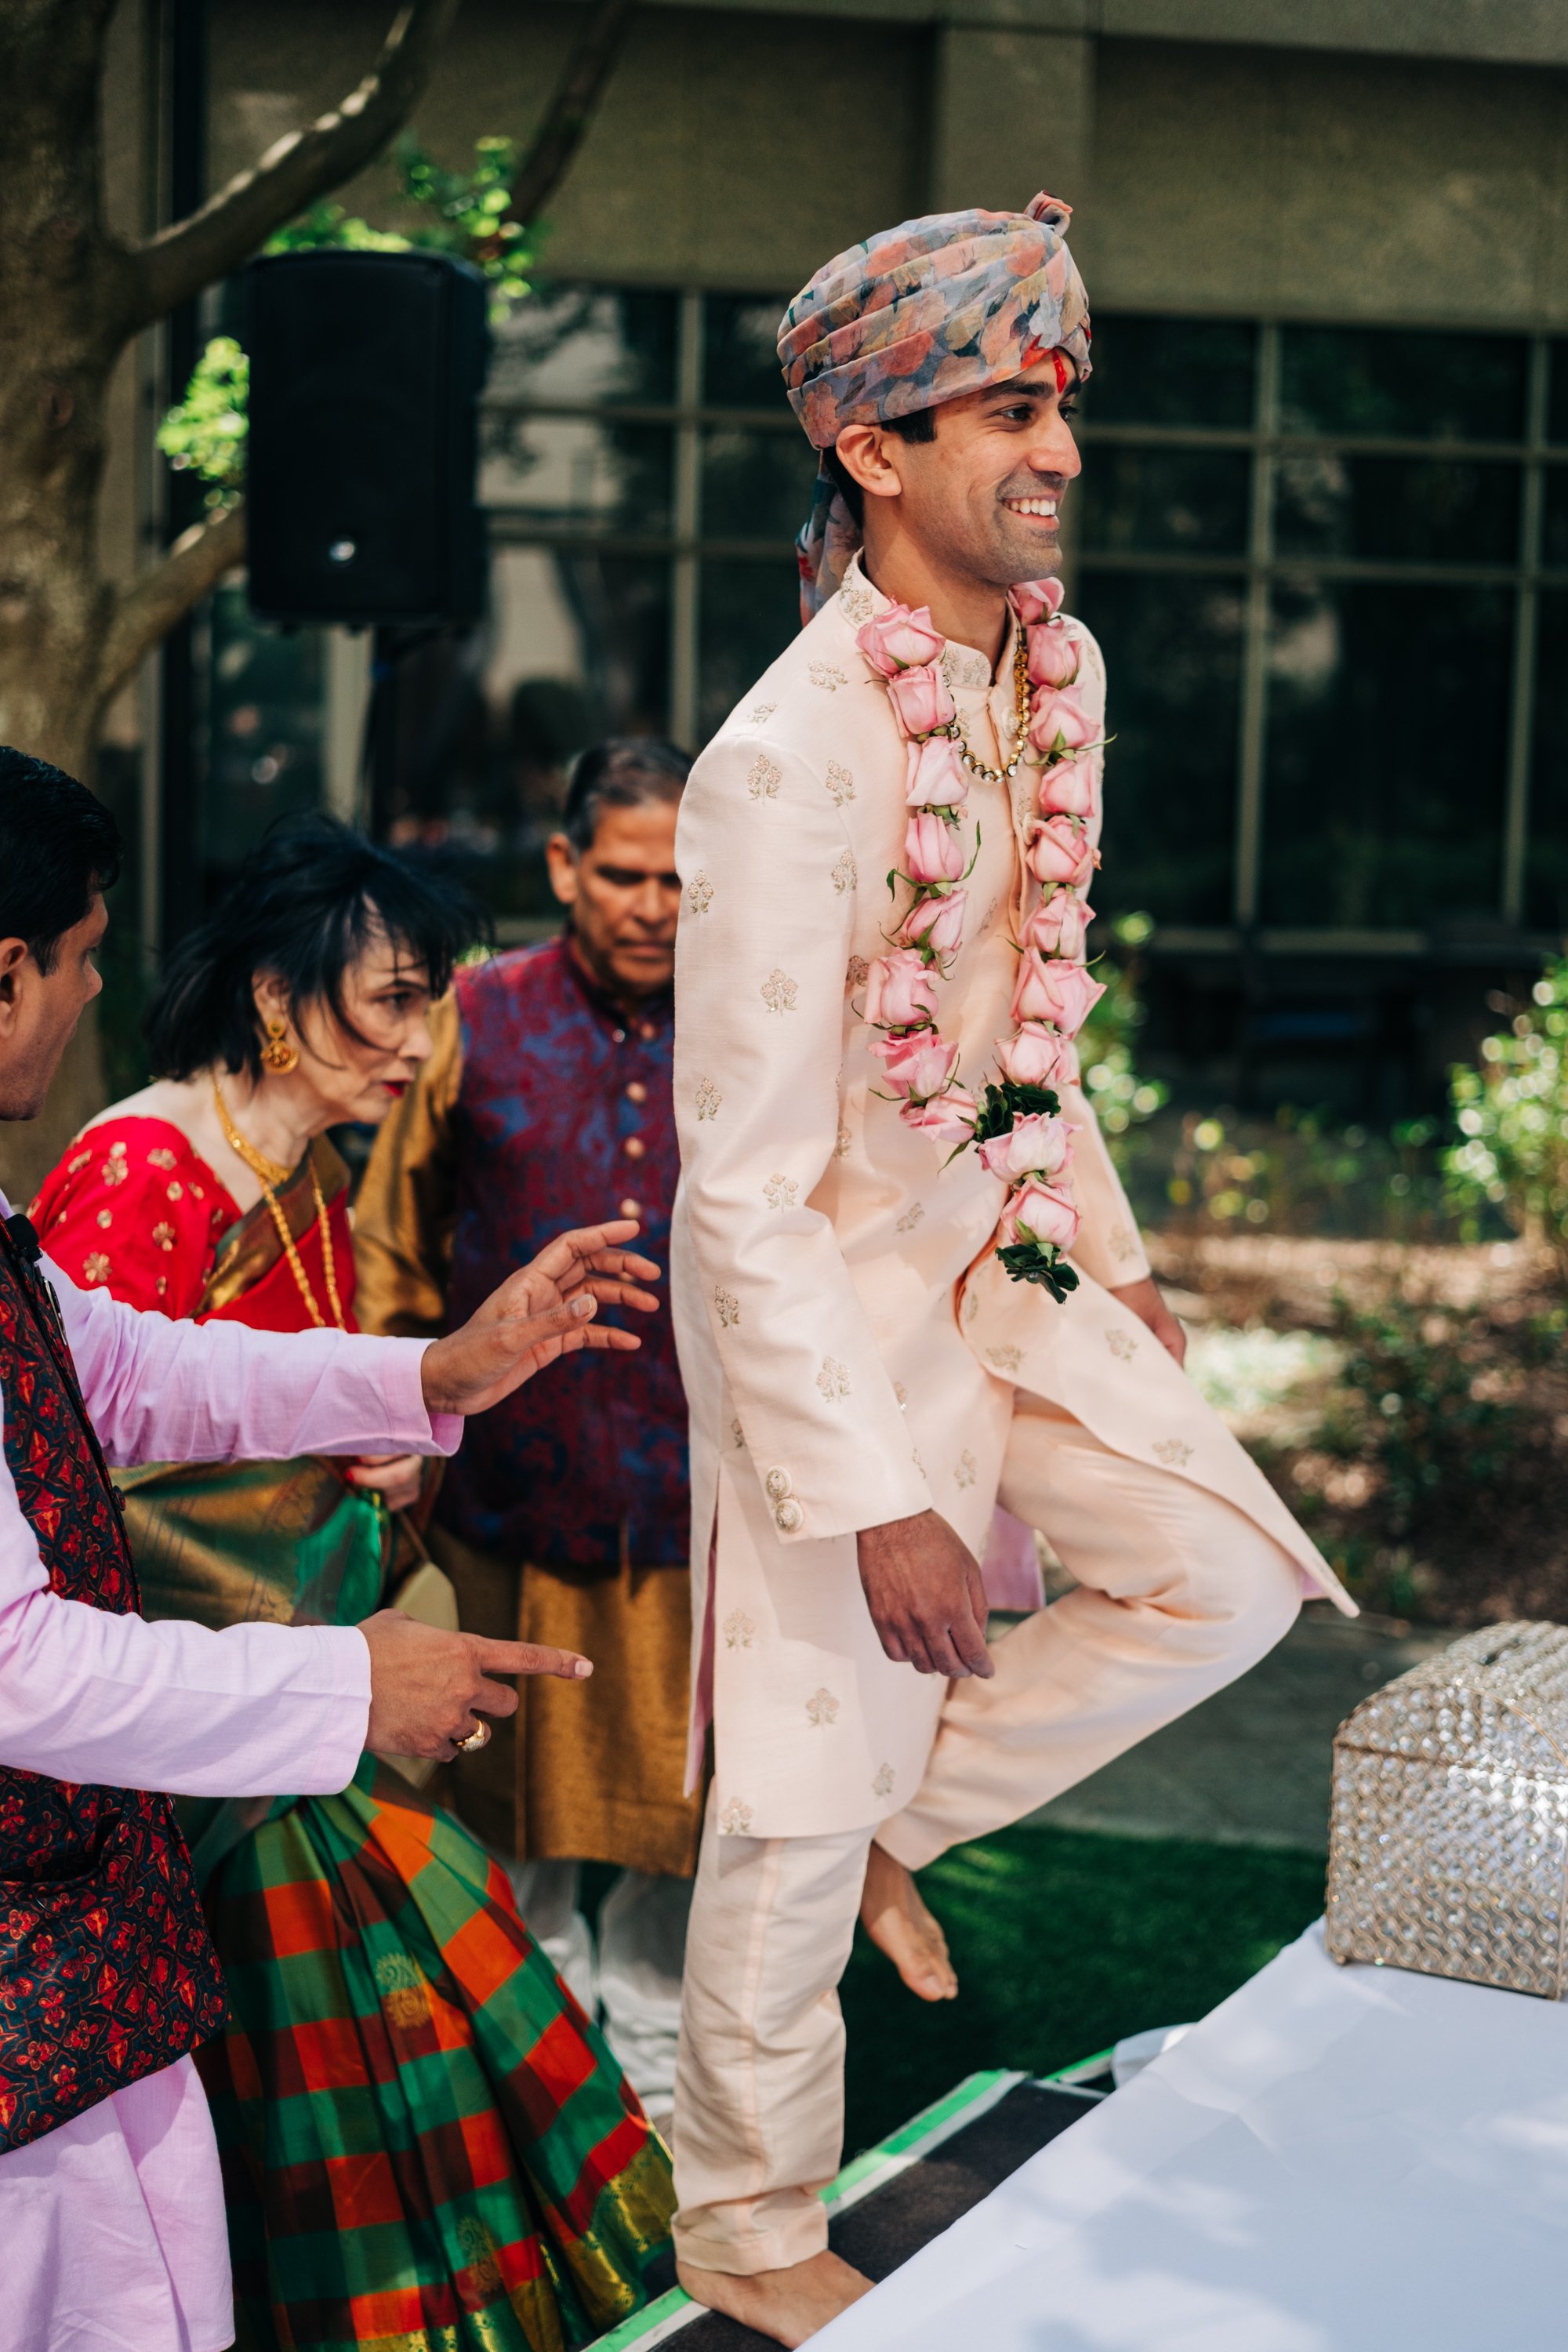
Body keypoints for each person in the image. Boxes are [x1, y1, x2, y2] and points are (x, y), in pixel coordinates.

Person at [667, 191, 1356, 2343]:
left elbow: (1030, 1011)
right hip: (821, 1319)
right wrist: (869, 1495)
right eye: (1000, 407)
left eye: (1062, 404)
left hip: (1017, 1254)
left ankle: (911, 1819)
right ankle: (746, 2224)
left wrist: (1116, 1256)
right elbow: (739, 1187)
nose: (1054, 448)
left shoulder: (1058, 672)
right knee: (787, 1802)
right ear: (873, 450)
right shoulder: (783, 766)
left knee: (1226, 1581)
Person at [0, 757, 668, 2352]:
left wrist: (432, 1373)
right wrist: (344, 1682)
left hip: (143, 1801)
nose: (101, 993)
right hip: (126, 1807)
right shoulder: (135, 1163)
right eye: (85, 954)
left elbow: (123, 1367)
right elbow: (26, 1648)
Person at [355, 741, 696, 2121]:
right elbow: (389, 1248)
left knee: (686, 1859)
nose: (655, 904)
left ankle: (671, 2134)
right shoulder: (477, 1019)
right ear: (565, 866)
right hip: (507, 1508)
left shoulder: (757, 1024)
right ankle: (550, 2139)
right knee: (518, 1858)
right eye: (624, 872)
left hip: (699, 1523)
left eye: (683, 877)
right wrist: (397, 1444)